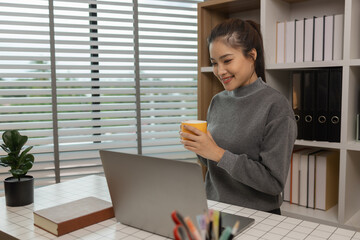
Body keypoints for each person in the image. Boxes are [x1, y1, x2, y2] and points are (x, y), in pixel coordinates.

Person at [180, 18, 297, 214]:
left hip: (257, 216)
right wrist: (200, 147)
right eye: (214, 63)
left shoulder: (276, 107)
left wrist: (217, 153)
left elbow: (273, 182)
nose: (219, 71)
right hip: (214, 208)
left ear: (251, 56)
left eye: (227, 61)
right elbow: (213, 164)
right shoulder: (218, 101)